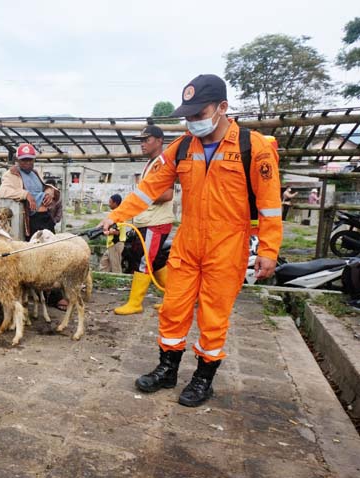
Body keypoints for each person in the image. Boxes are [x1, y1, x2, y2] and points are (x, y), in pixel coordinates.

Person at [98, 74, 283, 407]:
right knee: (173, 308)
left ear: (222, 108)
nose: (193, 121)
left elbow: (270, 204)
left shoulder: (253, 147)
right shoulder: (182, 146)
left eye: (200, 114)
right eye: (189, 116)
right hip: (189, 241)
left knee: (213, 316)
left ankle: (203, 379)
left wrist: (268, 250)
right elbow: (149, 188)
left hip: (228, 245)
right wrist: (116, 216)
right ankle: (167, 369)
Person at [114, 125, 175, 315]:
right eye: (141, 140)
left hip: (155, 222)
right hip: (147, 221)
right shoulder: (150, 164)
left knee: (143, 260)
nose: (142, 144)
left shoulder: (163, 163)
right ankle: (172, 300)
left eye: (146, 140)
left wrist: (140, 197)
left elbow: (166, 194)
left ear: (159, 141)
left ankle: (135, 303)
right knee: (156, 263)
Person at [0, 143, 60, 239]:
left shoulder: (35, 173)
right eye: (23, 159)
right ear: (17, 160)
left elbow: (44, 188)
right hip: (32, 219)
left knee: (52, 247)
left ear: (34, 159)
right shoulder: (11, 174)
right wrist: (25, 194)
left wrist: (49, 192)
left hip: (46, 216)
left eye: (30, 159)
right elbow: (3, 191)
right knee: (35, 249)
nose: (27, 162)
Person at [99, 194, 125, 273]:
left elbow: (117, 232)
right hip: (111, 244)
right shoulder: (113, 214)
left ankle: (119, 283)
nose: (109, 204)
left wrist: (107, 232)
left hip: (116, 244)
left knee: (115, 267)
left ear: (115, 203)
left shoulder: (119, 214)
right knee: (104, 263)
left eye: (110, 202)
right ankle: (103, 279)